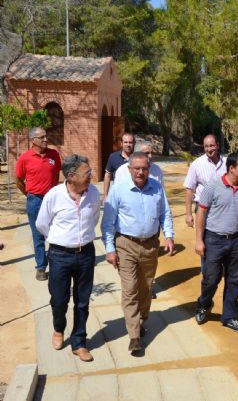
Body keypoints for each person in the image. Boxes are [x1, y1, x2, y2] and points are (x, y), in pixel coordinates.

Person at [101, 151, 174, 354]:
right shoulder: (119, 189)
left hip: (151, 246)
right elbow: (107, 223)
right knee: (130, 289)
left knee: (145, 289)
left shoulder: (157, 187)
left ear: (149, 169)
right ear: (129, 169)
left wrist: (169, 236)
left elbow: (165, 213)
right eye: (137, 169)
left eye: (144, 169)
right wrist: (109, 249)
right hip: (126, 245)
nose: (140, 172)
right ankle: (134, 336)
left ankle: (142, 320)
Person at [35, 154, 100, 362]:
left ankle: (79, 342)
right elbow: (42, 225)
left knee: (82, 301)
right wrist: (61, 240)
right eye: (86, 173)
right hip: (60, 255)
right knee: (59, 300)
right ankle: (58, 329)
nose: (91, 176)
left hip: (86, 254)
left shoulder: (94, 194)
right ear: (71, 176)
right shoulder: (54, 195)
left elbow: (95, 218)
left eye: (90, 172)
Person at [194, 153, 238, 332]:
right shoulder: (212, 186)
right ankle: (203, 304)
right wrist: (199, 240)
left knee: (234, 280)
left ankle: (229, 316)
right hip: (213, 239)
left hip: (236, 240)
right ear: (231, 168)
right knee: (211, 278)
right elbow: (201, 212)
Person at [15, 127, 62, 281]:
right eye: (41, 137)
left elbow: (56, 174)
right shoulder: (24, 158)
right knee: (38, 235)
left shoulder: (54, 155)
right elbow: (19, 180)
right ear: (33, 140)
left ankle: (57, 265)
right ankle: (41, 268)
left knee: (55, 232)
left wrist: (53, 192)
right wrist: (29, 194)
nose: (45, 139)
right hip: (35, 200)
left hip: (52, 200)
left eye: (46, 136)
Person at [184, 135, 226, 228]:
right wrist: (188, 214)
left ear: (217, 145)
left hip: (222, 207)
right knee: (203, 238)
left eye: (212, 145)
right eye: (206, 146)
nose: (209, 149)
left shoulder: (226, 163)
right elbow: (189, 190)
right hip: (203, 207)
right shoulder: (196, 164)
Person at [103, 132, 135, 201]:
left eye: (130, 142)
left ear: (133, 144)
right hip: (118, 195)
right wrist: (105, 195)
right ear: (121, 143)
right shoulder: (113, 157)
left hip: (135, 194)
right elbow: (107, 175)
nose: (128, 144)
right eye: (125, 142)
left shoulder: (137, 158)